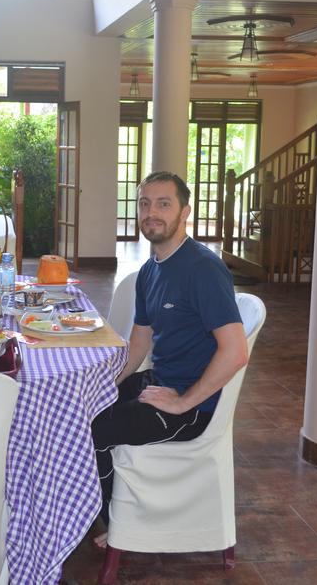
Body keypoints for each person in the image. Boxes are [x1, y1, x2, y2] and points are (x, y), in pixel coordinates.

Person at [91, 171, 248, 544]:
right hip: (160, 383)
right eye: (145, 204)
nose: (151, 213)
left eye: (164, 204)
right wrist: (109, 384)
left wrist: (183, 401)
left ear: (185, 212)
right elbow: (140, 340)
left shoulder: (202, 269)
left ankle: (116, 524)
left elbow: (236, 351)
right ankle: (87, 505)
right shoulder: (151, 270)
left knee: (97, 430)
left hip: (193, 405)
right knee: (85, 407)